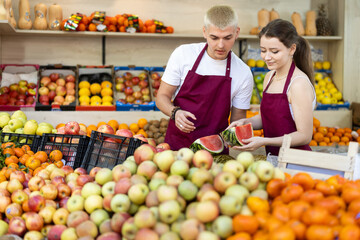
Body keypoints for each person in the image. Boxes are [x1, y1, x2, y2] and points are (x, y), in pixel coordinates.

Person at [156, 5, 253, 150]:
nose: (221, 45)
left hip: (216, 154)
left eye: (227, 38)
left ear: (237, 33)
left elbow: (237, 122)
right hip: (176, 148)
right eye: (214, 37)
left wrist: (240, 140)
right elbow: (161, 97)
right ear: (204, 32)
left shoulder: (243, 73)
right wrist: (174, 112)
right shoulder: (183, 54)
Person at [228, 19, 316, 158]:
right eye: (263, 50)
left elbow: (304, 136)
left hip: (297, 162)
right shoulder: (269, 77)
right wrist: (246, 122)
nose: (267, 57)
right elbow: (268, 118)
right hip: (274, 159)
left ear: (292, 49)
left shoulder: (298, 84)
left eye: (274, 51)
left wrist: (264, 141)